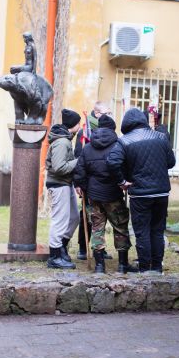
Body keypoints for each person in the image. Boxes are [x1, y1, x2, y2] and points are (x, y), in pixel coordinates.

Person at [107, 107, 176, 273]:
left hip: (140, 194)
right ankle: (157, 267)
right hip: (161, 192)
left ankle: (145, 268)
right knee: (157, 230)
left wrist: (122, 181)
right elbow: (171, 162)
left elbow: (112, 162)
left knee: (142, 231)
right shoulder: (161, 137)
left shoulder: (124, 141)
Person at [73, 115, 137, 274]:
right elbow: (126, 168)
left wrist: (81, 186)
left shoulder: (88, 147)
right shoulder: (119, 146)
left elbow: (80, 170)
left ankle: (99, 267)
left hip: (94, 196)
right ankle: (122, 266)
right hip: (114, 194)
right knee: (120, 228)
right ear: (113, 129)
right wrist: (126, 181)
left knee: (97, 229)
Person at [74, 101, 112, 260]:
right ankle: (83, 248)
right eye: (106, 113)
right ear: (96, 114)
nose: (109, 116)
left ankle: (100, 248)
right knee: (88, 216)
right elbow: (78, 157)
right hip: (89, 182)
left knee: (102, 217)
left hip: (105, 181)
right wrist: (79, 182)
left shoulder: (108, 130)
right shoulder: (85, 132)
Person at [45, 108, 82, 269]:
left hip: (66, 184)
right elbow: (59, 167)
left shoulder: (66, 139)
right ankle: (54, 257)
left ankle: (61, 248)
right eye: (78, 123)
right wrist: (79, 160)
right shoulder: (62, 142)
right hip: (59, 184)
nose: (80, 125)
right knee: (59, 220)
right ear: (73, 125)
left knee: (74, 217)